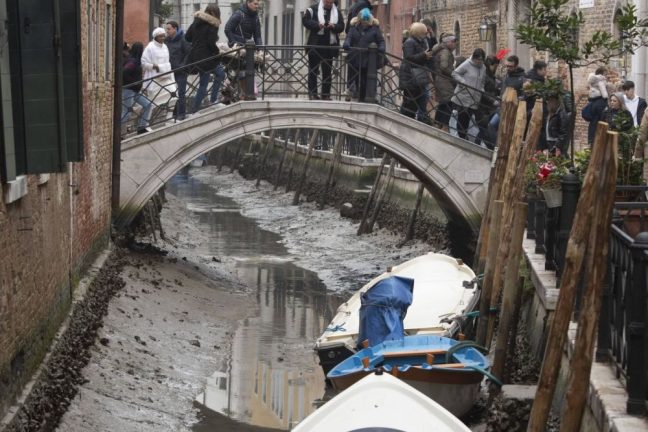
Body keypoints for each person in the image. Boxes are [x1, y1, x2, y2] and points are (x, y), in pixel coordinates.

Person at [185, 4, 224, 114]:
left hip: (196, 56)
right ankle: (212, 101)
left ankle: (197, 108)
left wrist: (197, 42)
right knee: (218, 74)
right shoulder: (212, 24)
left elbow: (187, 37)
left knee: (207, 80)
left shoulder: (196, 21)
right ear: (213, 13)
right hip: (207, 57)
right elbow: (211, 43)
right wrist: (218, 52)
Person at [302, 0, 344, 100]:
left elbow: (341, 26)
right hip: (315, 45)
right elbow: (305, 21)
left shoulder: (337, 12)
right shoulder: (313, 9)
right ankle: (312, 93)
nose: (329, 5)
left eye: (331, 3)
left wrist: (333, 26)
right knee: (313, 70)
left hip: (329, 47)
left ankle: (325, 95)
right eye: (327, 3)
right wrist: (317, 25)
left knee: (327, 71)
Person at [343, 8, 385, 103]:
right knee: (353, 78)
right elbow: (348, 38)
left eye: (366, 20)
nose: (365, 22)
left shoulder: (374, 28)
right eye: (363, 20)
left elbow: (381, 40)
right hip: (355, 58)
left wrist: (381, 48)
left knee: (366, 79)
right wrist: (347, 44)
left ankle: (365, 98)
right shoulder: (353, 28)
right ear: (359, 20)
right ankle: (351, 93)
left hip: (368, 59)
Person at [225, 0, 262, 100]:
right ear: (248, 3)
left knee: (247, 69)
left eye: (258, 4)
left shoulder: (255, 18)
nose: (257, 6)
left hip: (248, 47)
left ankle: (242, 93)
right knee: (241, 69)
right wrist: (234, 42)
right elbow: (228, 29)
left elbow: (257, 35)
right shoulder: (238, 14)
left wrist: (260, 49)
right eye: (255, 3)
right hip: (237, 47)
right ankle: (242, 92)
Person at [398, 22, 433, 121]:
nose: (426, 34)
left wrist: (426, 56)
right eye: (424, 32)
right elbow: (408, 58)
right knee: (410, 102)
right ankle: (406, 120)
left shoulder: (421, 42)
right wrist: (423, 55)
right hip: (410, 76)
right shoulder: (409, 42)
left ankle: (421, 118)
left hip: (418, 76)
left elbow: (430, 47)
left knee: (421, 98)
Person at [451, 48, 486, 141]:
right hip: (464, 95)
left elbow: (482, 81)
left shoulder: (483, 67)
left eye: (481, 60)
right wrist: (463, 82)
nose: (479, 62)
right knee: (462, 116)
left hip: (475, 97)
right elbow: (454, 73)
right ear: (474, 58)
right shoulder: (467, 64)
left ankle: (463, 136)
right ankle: (461, 136)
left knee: (469, 117)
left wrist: (481, 89)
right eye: (477, 59)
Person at [121, 42, 153, 134]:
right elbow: (124, 72)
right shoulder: (132, 61)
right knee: (127, 112)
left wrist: (139, 86)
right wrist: (134, 82)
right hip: (128, 90)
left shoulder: (136, 61)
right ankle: (117, 132)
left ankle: (141, 127)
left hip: (135, 91)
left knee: (148, 105)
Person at [165, 20, 192, 120]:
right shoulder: (166, 40)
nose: (167, 31)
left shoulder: (183, 39)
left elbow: (189, 53)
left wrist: (182, 66)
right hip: (170, 72)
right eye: (166, 29)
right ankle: (174, 114)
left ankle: (181, 114)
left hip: (181, 71)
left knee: (181, 93)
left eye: (169, 29)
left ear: (175, 29)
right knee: (172, 93)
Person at [141, 27, 176, 104]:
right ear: (155, 37)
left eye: (164, 36)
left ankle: (169, 115)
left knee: (173, 94)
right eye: (160, 36)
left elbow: (168, 61)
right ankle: (149, 115)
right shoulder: (150, 47)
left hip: (166, 77)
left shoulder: (165, 47)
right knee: (152, 101)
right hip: (155, 78)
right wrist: (154, 66)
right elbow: (143, 62)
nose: (163, 38)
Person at [430, 34, 457, 132]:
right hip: (444, 80)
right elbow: (444, 66)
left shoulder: (443, 51)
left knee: (443, 102)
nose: (455, 44)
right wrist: (453, 74)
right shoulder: (445, 52)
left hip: (440, 79)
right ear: (448, 42)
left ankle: (438, 123)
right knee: (448, 102)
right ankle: (444, 126)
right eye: (453, 42)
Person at [475, 55, 500, 148]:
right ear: (492, 65)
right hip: (482, 106)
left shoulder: (490, 75)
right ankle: (492, 148)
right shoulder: (484, 74)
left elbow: (491, 88)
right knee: (484, 129)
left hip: (488, 107)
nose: (496, 69)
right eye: (496, 67)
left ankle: (478, 145)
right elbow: (481, 90)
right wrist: (493, 100)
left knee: (484, 129)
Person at [585, 66, 610, 144]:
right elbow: (604, 93)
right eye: (605, 74)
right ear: (602, 74)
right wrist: (606, 97)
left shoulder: (592, 101)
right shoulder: (601, 82)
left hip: (592, 128)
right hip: (598, 130)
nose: (606, 76)